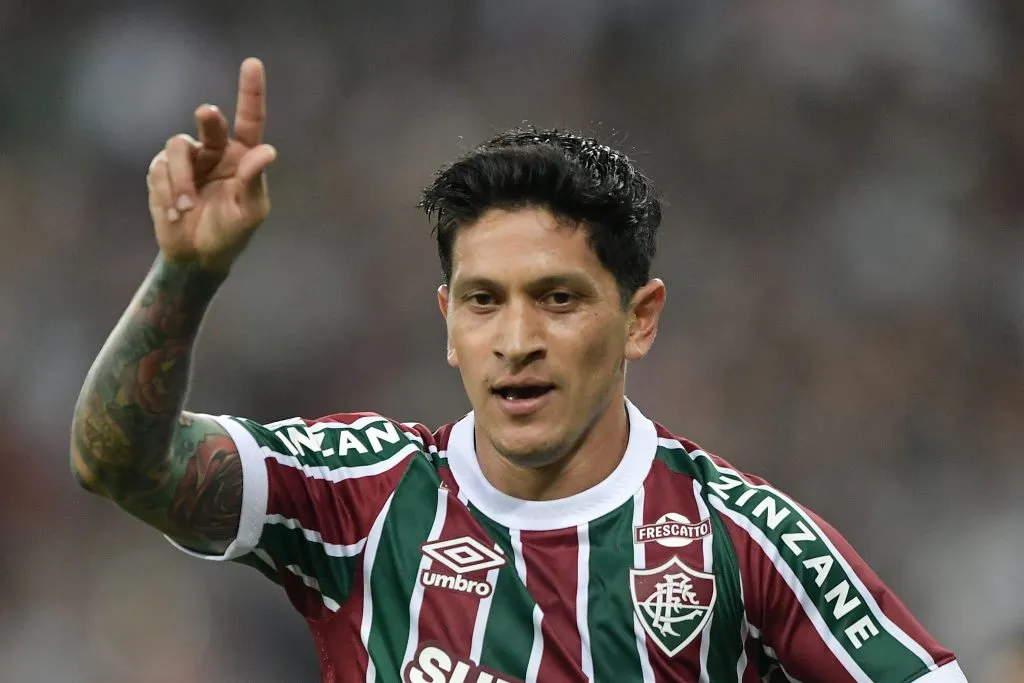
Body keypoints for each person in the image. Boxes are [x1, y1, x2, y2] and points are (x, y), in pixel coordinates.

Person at [70, 57, 969, 683]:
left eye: (559, 298)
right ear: (448, 324)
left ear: (640, 320)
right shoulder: (360, 497)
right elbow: (120, 462)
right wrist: (186, 273)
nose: (516, 338)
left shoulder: (742, 541)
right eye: (483, 300)